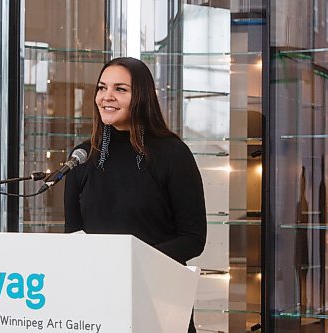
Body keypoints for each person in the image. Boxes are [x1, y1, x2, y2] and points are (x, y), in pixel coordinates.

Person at [63, 57, 206, 332]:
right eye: (102, 88)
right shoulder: (82, 157)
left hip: (159, 297)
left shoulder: (172, 153)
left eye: (120, 89)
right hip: (98, 298)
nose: (107, 97)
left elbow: (193, 238)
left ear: (141, 96)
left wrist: (132, 265)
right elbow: (73, 235)